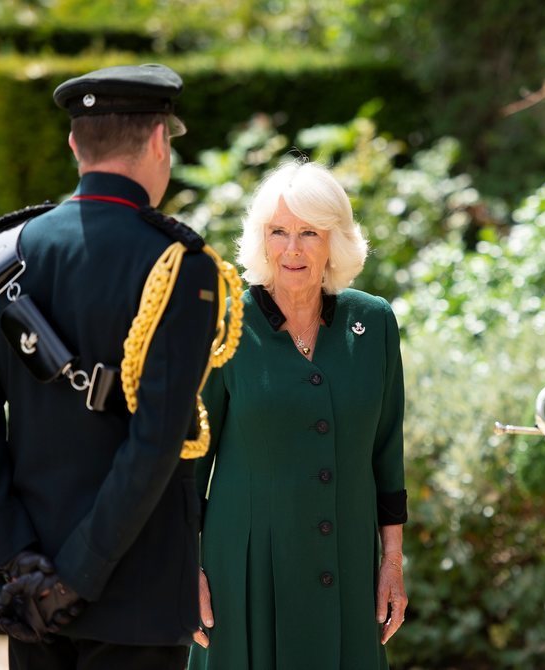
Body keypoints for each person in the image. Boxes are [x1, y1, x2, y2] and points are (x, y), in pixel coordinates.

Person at [0, 63, 226, 670]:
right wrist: (78, 577)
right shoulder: (179, 265)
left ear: (73, 144)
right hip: (136, 595)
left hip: (30, 601)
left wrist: (20, 568)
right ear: (158, 141)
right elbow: (155, 441)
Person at [187, 160, 408, 670]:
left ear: (336, 240)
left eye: (309, 232)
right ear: (261, 240)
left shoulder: (373, 323)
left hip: (348, 562)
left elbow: (386, 454)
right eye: (279, 231)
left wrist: (391, 561)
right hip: (243, 571)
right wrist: (183, 566)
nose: (292, 248)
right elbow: (189, 461)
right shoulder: (226, 322)